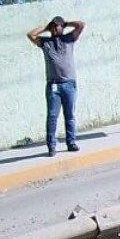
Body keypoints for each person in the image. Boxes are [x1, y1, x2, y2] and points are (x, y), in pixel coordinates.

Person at [27, 16, 85, 157]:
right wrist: (46, 27)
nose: (55, 28)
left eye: (57, 26)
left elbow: (81, 25)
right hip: (53, 85)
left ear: (62, 27)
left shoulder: (69, 38)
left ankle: (71, 142)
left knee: (70, 115)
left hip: (69, 84)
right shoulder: (46, 42)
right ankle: (51, 146)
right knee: (52, 116)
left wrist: (66, 24)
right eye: (53, 26)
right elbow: (31, 35)